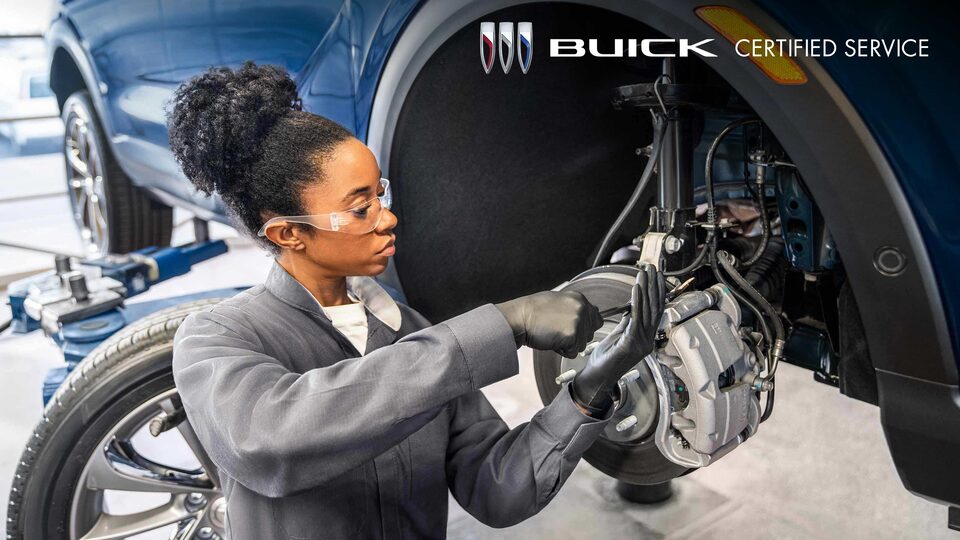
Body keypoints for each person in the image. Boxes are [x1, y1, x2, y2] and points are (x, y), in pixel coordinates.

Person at [168, 61, 665, 539]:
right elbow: (269, 441)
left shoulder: (412, 333)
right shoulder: (216, 339)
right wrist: (506, 323)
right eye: (361, 208)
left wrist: (588, 390)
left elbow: (496, 490)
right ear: (290, 233)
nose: (386, 217)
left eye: (379, 195)